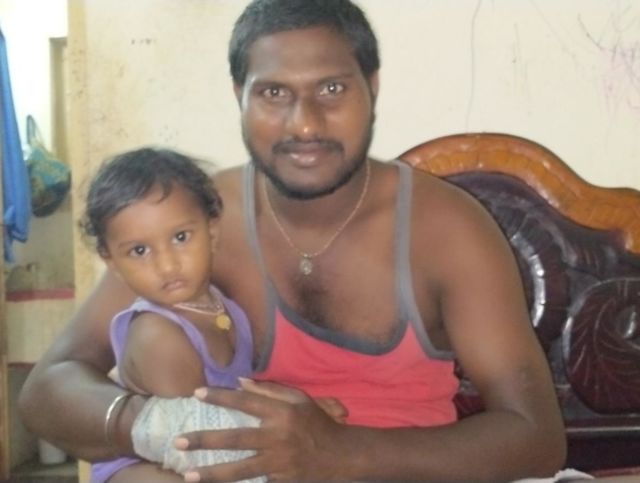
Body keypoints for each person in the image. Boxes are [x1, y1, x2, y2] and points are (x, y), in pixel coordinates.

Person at [19, 0, 569, 481]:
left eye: (331, 89)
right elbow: (47, 390)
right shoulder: (197, 221)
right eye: (274, 93)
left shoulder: (445, 229)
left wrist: (340, 452)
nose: (304, 124)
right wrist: (166, 426)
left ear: (372, 88)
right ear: (239, 95)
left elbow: (536, 437)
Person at [77, 147, 345, 482]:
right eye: (139, 250)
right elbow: (196, 441)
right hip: (150, 464)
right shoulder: (158, 336)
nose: (167, 264)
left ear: (212, 233)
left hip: (204, 451)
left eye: (180, 237)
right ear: (113, 263)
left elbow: (235, 398)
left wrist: (303, 417)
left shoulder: (223, 307)